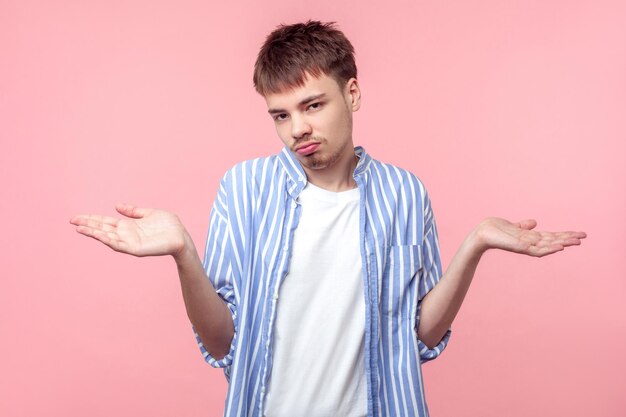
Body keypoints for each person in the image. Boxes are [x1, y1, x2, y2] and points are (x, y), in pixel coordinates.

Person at [69, 20, 586, 417]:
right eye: (281, 114)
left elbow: (421, 338)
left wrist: (474, 245)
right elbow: (225, 343)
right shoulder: (244, 188)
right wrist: (184, 252)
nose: (297, 128)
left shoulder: (405, 194)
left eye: (312, 105)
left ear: (352, 94)